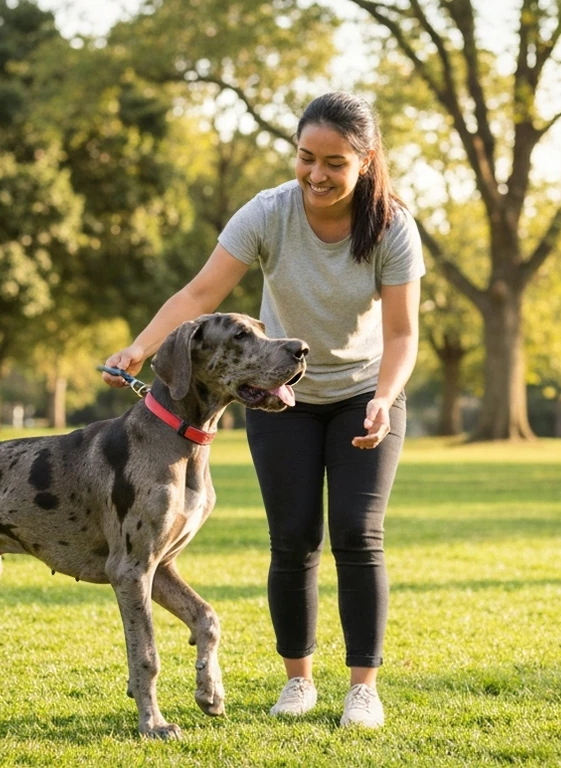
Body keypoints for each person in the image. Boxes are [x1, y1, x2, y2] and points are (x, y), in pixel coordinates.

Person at [102, 91, 423, 729]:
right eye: (307, 157)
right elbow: (200, 292)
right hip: (281, 397)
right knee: (294, 538)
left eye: (335, 162)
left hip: (365, 392)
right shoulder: (268, 213)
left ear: (366, 160)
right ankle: (298, 681)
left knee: (358, 537)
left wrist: (383, 398)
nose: (317, 174)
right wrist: (140, 348)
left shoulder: (390, 225)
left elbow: (401, 334)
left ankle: (363, 688)